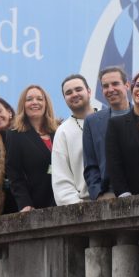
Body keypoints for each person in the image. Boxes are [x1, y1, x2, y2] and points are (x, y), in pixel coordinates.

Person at [6, 85, 58, 212]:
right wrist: (25, 203)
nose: (35, 102)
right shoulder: (15, 134)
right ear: (23, 105)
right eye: (29, 99)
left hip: (64, 198)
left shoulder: (59, 130)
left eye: (39, 99)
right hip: (36, 203)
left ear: (46, 104)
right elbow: (14, 173)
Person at [83, 66, 131, 200]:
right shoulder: (92, 122)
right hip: (109, 195)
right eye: (105, 86)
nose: (110, 89)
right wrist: (99, 194)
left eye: (115, 84)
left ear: (127, 85)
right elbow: (90, 164)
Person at [52, 74, 95, 205]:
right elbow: (61, 177)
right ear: (64, 98)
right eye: (69, 92)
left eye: (78, 89)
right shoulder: (62, 132)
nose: (74, 94)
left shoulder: (108, 119)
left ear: (89, 91)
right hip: (83, 204)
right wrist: (77, 205)